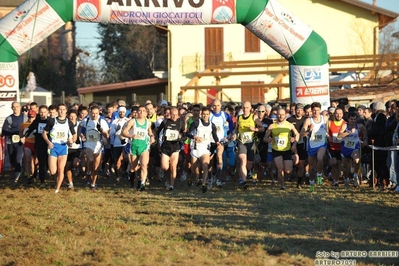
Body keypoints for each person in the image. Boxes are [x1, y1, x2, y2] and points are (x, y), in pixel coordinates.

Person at [42, 104, 76, 193]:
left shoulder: (69, 122)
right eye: (60, 109)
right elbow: (44, 133)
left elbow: (74, 135)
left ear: (66, 110)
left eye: (63, 109)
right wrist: (48, 142)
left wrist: (71, 141)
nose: (61, 111)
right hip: (53, 146)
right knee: (53, 171)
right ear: (57, 111)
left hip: (63, 147)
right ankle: (56, 182)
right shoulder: (52, 121)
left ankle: (57, 189)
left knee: (61, 169)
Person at [121, 105, 155, 191]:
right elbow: (124, 132)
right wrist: (131, 135)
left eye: (143, 111)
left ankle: (143, 184)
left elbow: (150, 132)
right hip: (134, 146)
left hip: (144, 146)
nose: (141, 112)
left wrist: (151, 137)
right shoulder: (132, 122)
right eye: (140, 110)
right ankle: (133, 182)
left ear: (146, 113)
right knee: (134, 168)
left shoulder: (148, 123)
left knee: (144, 165)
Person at [186, 106, 220, 193]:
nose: (205, 116)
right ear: (201, 114)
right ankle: (196, 178)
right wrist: (194, 137)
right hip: (196, 148)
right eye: (204, 114)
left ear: (209, 115)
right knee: (194, 169)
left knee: (205, 165)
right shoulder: (196, 123)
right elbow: (187, 133)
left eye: (207, 114)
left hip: (205, 148)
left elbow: (215, 135)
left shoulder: (212, 125)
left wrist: (217, 142)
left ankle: (204, 184)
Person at [264, 108, 299, 190]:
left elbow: (297, 134)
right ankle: (282, 186)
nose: (280, 116)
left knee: (288, 171)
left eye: (282, 115)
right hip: (276, 150)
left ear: (285, 115)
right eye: (279, 114)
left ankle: (289, 171)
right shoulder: (272, 126)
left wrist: (294, 144)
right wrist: (268, 139)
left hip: (287, 150)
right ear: (276, 115)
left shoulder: (289, 125)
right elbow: (265, 138)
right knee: (280, 169)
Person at [79, 105, 110, 191]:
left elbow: (107, 135)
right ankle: (88, 173)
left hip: (98, 145)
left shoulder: (102, 121)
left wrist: (101, 131)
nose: (94, 115)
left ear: (99, 113)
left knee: (96, 167)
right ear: (89, 113)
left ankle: (93, 184)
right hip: (88, 144)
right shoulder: (86, 120)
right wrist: (80, 135)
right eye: (93, 113)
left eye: (96, 113)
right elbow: (79, 127)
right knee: (91, 159)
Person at [233, 101, 263, 189]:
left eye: (247, 108)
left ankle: (248, 172)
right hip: (242, 142)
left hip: (251, 143)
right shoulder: (239, 117)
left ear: (250, 108)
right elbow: (236, 129)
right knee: (242, 160)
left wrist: (255, 129)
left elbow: (262, 128)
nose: (245, 109)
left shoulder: (254, 117)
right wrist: (235, 134)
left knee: (248, 164)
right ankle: (244, 181)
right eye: (244, 108)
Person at [300, 102, 329, 192]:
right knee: (311, 167)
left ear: (320, 110)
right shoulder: (308, 120)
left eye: (317, 110)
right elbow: (301, 134)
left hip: (322, 144)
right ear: (311, 111)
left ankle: (319, 174)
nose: (316, 112)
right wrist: (309, 130)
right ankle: (312, 183)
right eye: (314, 110)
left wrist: (328, 135)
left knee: (320, 158)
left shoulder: (324, 118)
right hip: (312, 145)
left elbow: (327, 130)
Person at [157, 107, 185, 190]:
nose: (174, 117)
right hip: (165, 147)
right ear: (170, 114)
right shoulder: (165, 122)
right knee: (165, 167)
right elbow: (158, 132)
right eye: (172, 115)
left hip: (175, 147)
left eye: (176, 115)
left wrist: (181, 139)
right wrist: (158, 142)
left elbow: (185, 134)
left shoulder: (180, 123)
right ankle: (168, 179)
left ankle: (172, 185)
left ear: (178, 115)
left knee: (173, 166)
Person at [338, 112, 368, 188]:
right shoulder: (345, 126)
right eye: (351, 119)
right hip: (345, 148)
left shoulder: (359, 126)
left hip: (355, 147)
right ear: (348, 119)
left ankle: (355, 175)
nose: (353, 121)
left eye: (354, 119)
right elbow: (339, 135)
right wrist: (349, 132)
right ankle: (346, 179)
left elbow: (365, 131)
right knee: (345, 167)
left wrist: (365, 140)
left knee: (356, 160)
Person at [210, 99, 235, 187]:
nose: (216, 107)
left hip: (220, 141)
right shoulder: (209, 115)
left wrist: (230, 132)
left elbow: (231, 123)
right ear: (212, 106)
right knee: (211, 160)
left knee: (219, 156)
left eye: (218, 105)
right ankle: (212, 175)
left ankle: (219, 179)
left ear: (221, 106)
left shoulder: (224, 115)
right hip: (210, 140)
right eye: (214, 105)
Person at [1, 101, 28, 183]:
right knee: (13, 160)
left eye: (17, 106)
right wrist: (13, 133)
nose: (15, 108)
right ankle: (18, 172)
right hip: (10, 142)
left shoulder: (25, 118)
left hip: (20, 142)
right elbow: (4, 131)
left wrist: (23, 136)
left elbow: (28, 129)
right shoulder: (9, 118)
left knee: (18, 159)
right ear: (12, 108)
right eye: (14, 107)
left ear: (20, 107)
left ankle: (16, 178)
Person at [287, 103, 308, 189]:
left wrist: (304, 134)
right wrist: (290, 138)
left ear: (303, 111)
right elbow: (285, 132)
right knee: (295, 161)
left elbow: (308, 132)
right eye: (297, 110)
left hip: (302, 144)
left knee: (301, 164)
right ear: (294, 110)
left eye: (300, 110)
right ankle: (291, 174)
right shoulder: (289, 119)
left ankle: (299, 182)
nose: (299, 112)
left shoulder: (306, 120)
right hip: (292, 144)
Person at [109, 106, 130, 183]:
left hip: (126, 143)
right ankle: (118, 176)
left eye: (123, 112)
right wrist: (116, 130)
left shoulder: (128, 121)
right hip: (117, 144)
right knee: (116, 161)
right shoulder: (115, 121)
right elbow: (110, 133)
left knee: (126, 159)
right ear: (118, 112)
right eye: (120, 112)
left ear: (125, 112)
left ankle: (126, 173)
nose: (121, 113)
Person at [327, 107, 346, 187]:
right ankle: (330, 174)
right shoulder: (329, 123)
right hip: (332, 147)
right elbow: (326, 133)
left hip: (341, 147)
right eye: (337, 113)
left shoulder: (345, 123)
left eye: (340, 113)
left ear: (342, 114)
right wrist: (329, 137)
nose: (338, 115)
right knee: (333, 162)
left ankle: (336, 181)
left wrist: (342, 135)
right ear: (334, 114)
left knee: (338, 165)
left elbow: (346, 133)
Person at [20, 109, 37, 183]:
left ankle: (34, 174)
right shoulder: (23, 124)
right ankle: (28, 176)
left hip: (36, 143)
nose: (31, 119)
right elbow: (21, 133)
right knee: (28, 159)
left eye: (32, 117)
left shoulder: (37, 123)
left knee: (36, 160)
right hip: (28, 143)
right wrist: (22, 138)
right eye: (30, 117)